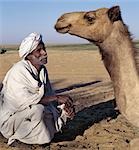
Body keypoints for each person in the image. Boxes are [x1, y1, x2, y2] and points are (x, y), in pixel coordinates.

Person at [0, 32, 75, 145]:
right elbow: (24, 102)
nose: (44, 53)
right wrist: (56, 98)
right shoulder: (19, 71)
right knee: (38, 110)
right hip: (11, 121)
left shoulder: (42, 71)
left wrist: (64, 107)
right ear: (29, 55)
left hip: (30, 113)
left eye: (44, 48)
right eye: (38, 51)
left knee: (63, 105)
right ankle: (16, 138)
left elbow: (49, 97)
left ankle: (43, 135)